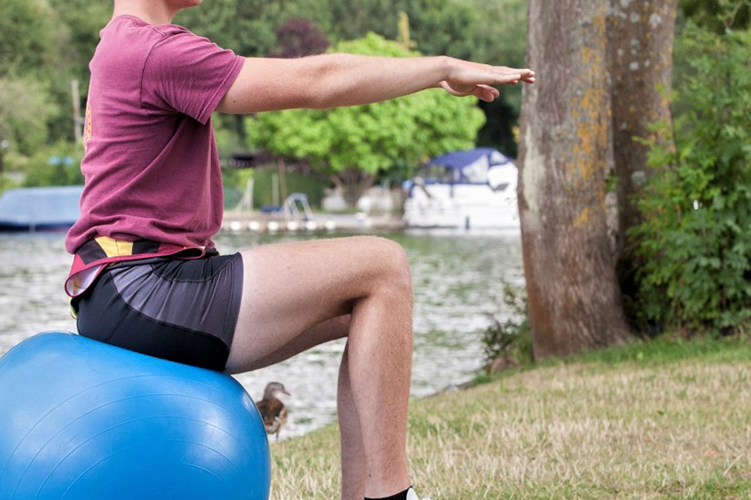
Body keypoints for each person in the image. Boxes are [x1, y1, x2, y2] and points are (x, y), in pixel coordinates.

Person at [64, 1, 534, 499]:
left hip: (128, 287)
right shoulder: (151, 50)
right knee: (383, 268)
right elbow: (318, 81)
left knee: (371, 312)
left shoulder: (124, 43)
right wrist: (438, 69)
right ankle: (392, 497)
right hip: (141, 288)